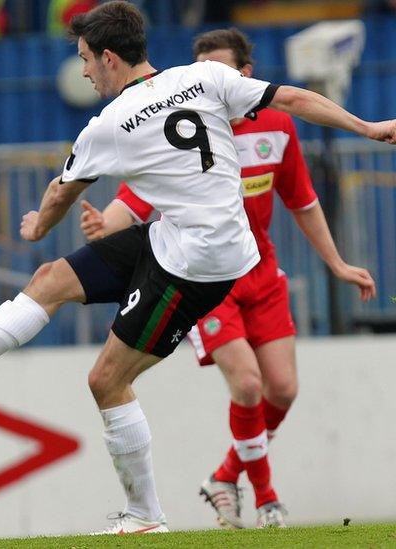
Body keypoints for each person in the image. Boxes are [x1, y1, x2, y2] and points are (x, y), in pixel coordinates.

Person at [0, 1, 395, 535]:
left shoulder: (110, 124)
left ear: (110, 57)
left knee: (107, 380)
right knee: (49, 280)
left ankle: (145, 517)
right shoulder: (206, 76)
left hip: (196, 267)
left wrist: (36, 228)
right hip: (184, 241)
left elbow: (60, 192)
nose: (86, 72)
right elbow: (296, 97)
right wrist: (367, 127)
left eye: (87, 60)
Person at [78, 28, 376, 529]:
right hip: (205, 281)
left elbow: (301, 200)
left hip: (262, 275)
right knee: (248, 384)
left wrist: (338, 264)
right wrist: (102, 225)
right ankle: (267, 501)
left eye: (224, 69)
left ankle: (223, 476)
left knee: (281, 389)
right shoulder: (177, 127)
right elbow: (132, 201)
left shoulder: (277, 127)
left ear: (245, 75)